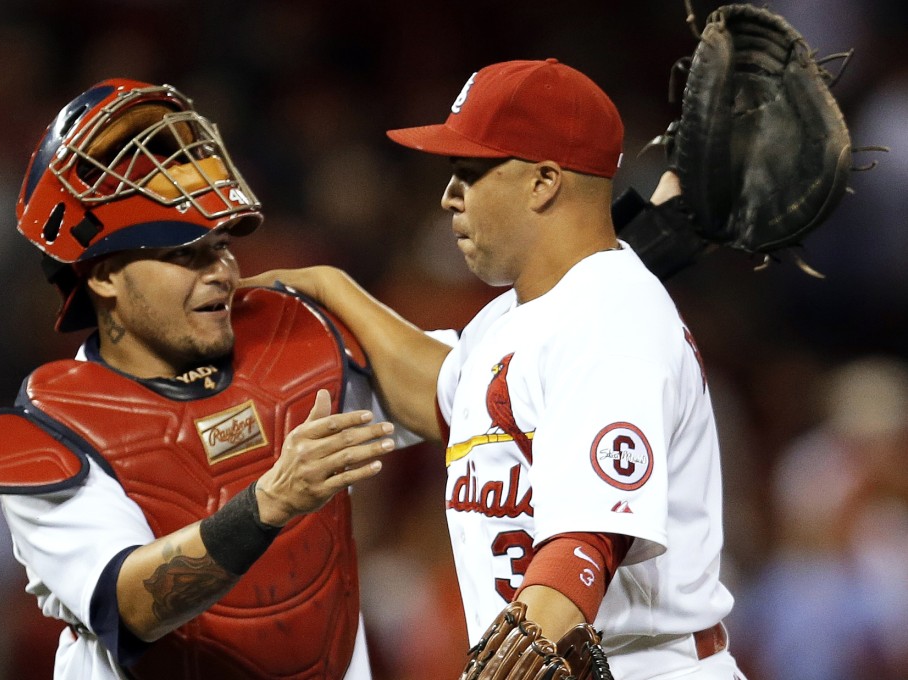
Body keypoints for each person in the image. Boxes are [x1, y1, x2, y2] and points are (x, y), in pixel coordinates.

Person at [244, 59, 747, 679]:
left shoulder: (611, 319)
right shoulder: (519, 316)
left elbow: (583, 550)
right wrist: (335, 288)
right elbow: (444, 397)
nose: (448, 196)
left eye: (468, 172)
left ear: (542, 182)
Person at [0, 78, 408, 680]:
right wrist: (270, 503)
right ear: (105, 277)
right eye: (187, 253)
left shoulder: (296, 352)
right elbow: (132, 607)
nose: (223, 271)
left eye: (222, 245)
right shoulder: (52, 433)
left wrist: (336, 288)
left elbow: (472, 397)